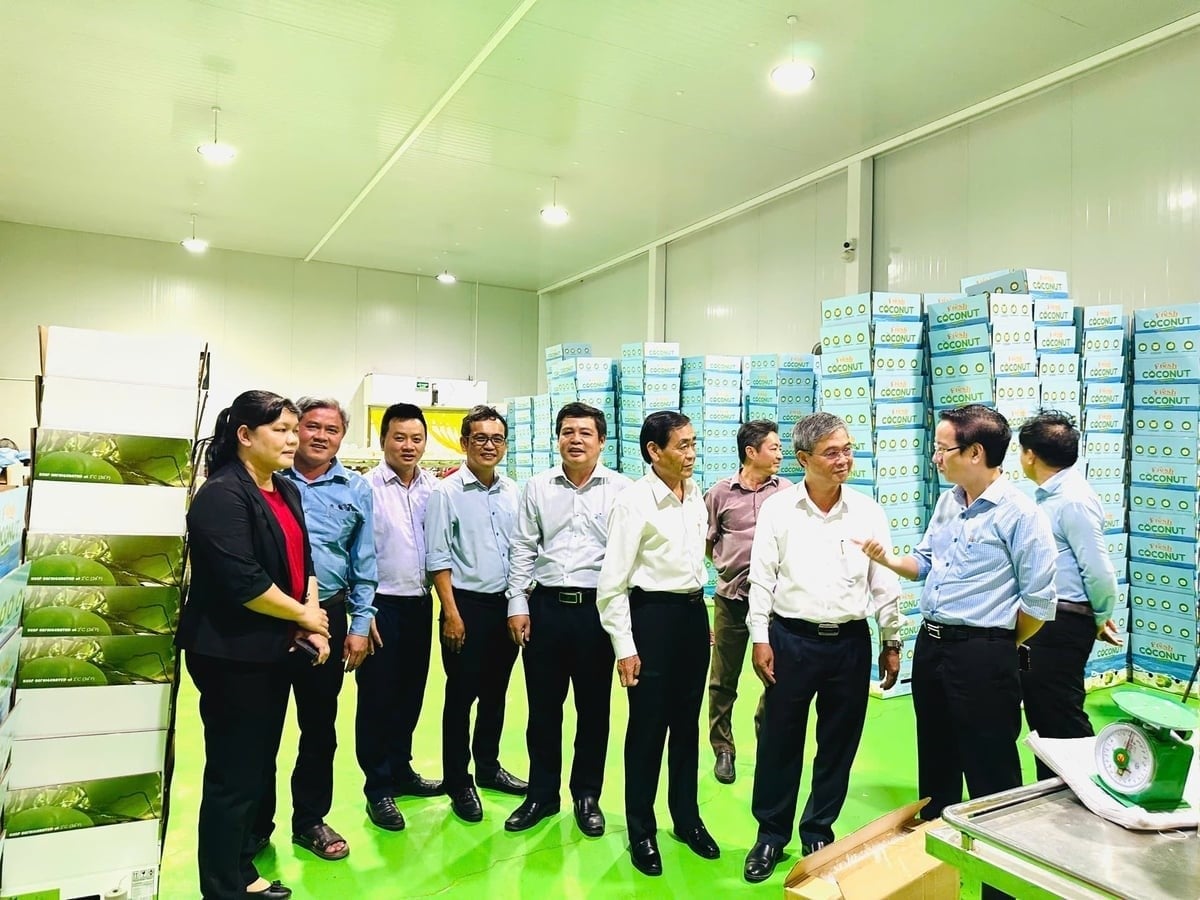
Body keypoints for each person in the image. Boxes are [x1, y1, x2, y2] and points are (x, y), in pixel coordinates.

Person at [859, 405, 1055, 900]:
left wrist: (997, 644)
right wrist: (889, 560)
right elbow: (925, 562)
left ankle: (999, 886)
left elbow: (1038, 603)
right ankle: (934, 874)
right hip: (933, 646)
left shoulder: (1021, 514)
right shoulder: (950, 501)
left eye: (942, 448)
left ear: (975, 453)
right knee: (936, 760)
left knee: (991, 769)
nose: (935, 457)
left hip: (984, 654)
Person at [177, 390, 331, 900]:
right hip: (231, 654)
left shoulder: (282, 489)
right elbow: (242, 580)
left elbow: (303, 560)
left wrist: (310, 618)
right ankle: (225, 885)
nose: (293, 439)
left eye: (293, 429)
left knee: (257, 764)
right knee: (234, 774)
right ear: (245, 435)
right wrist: (303, 615)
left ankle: (242, 860)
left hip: (271, 648)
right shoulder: (222, 495)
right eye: (280, 430)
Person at [743, 412, 902, 883]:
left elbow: (884, 582)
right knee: (780, 740)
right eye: (832, 452)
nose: (843, 460)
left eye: (847, 449)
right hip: (791, 640)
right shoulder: (779, 510)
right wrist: (760, 637)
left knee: (838, 742)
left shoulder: (868, 512)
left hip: (850, 643)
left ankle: (818, 830)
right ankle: (771, 834)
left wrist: (891, 639)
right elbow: (761, 578)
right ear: (803, 459)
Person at [249, 397, 378, 861]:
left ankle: (309, 820)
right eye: (312, 426)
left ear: (342, 436)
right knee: (261, 727)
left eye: (332, 429)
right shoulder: (268, 480)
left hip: (328, 616)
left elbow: (364, 561)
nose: (321, 436)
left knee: (319, 727)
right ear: (294, 430)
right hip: (268, 618)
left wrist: (360, 623)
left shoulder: (356, 488)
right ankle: (255, 825)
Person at [597, 410, 718, 877]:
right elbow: (612, 585)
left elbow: (694, 565)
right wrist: (625, 647)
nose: (692, 453)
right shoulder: (634, 502)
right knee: (648, 730)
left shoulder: (694, 496)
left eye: (694, 443)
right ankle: (642, 830)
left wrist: (700, 617)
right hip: (651, 619)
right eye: (682, 445)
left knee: (687, 727)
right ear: (654, 451)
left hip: (690, 616)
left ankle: (686, 818)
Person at [504, 402, 632, 836]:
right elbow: (523, 547)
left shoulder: (622, 490)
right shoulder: (538, 487)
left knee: (594, 710)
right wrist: (517, 604)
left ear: (602, 441)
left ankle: (587, 796)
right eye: (567, 432)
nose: (575, 440)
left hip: (597, 612)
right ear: (557, 438)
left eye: (585, 433)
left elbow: (627, 557)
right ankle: (541, 794)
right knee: (542, 709)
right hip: (546, 610)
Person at [426, 405, 527, 823]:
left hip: (506, 607)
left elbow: (522, 549)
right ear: (465, 442)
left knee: (496, 693)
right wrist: (450, 613)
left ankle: (487, 765)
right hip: (465, 607)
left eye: (497, 438)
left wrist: (519, 603)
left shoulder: (513, 491)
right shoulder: (445, 492)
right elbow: (437, 557)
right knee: (461, 695)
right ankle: (457, 780)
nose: (489, 445)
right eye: (480, 438)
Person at [1018, 411, 1122, 779]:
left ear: (1030, 455)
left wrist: (1099, 616)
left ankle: (1089, 787)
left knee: (1059, 711)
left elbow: (1099, 570)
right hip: (1045, 618)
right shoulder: (1048, 496)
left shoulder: (1073, 499)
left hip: (1062, 622)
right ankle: (1053, 792)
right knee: (1043, 712)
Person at [356, 403, 445, 834]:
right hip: (380, 606)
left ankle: (401, 770)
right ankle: (377, 787)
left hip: (419, 604)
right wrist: (361, 611)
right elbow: (353, 552)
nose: (408, 446)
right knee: (377, 698)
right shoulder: (364, 488)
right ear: (383, 440)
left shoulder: (434, 489)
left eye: (416, 438)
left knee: (411, 693)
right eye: (399, 437)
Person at [703, 419, 790, 786]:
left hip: (774, 604)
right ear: (751, 452)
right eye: (774, 447)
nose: (781, 454)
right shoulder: (719, 494)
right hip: (732, 600)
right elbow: (706, 543)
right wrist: (727, 568)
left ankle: (766, 736)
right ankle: (723, 748)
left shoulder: (786, 493)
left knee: (776, 676)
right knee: (723, 679)